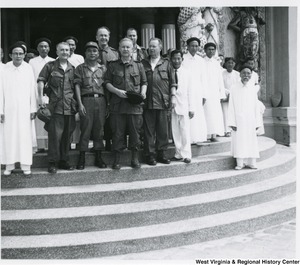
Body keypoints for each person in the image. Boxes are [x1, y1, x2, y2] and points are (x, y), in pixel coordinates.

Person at [104, 38, 147, 169]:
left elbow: (144, 82)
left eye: (128, 47)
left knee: (135, 133)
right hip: (118, 105)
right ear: (119, 49)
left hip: (134, 106)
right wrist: (116, 91)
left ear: (133, 49)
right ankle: (117, 159)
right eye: (123, 47)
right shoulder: (112, 65)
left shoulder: (139, 65)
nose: (125, 49)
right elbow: (106, 82)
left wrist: (143, 94)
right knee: (117, 133)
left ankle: (134, 158)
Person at [37, 42, 77, 174]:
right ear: (57, 51)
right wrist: (41, 97)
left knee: (67, 136)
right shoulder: (50, 66)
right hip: (55, 107)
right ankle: (52, 162)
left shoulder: (73, 68)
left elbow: (76, 88)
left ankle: (64, 161)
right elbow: (41, 81)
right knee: (55, 136)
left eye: (67, 50)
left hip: (69, 107)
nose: (65, 52)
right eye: (62, 50)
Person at [0, 43, 37, 176]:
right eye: (15, 53)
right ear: (10, 55)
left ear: (24, 55)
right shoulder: (4, 69)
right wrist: (1, 111)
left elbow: (33, 90)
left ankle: (25, 165)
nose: (18, 56)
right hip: (8, 108)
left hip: (24, 109)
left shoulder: (28, 68)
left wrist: (33, 108)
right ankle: (9, 165)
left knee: (24, 136)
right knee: (9, 136)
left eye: (21, 53)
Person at [141, 37, 176, 165]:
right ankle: (150, 155)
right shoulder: (143, 63)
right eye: (150, 46)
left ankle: (162, 153)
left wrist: (172, 97)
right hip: (147, 102)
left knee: (163, 130)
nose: (151, 48)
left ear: (160, 47)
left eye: (154, 46)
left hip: (163, 101)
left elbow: (173, 82)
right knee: (148, 130)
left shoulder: (167, 63)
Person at [74, 41, 107, 170]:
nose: (92, 53)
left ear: (98, 53)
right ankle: (81, 157)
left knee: (99, 130)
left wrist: (107, 105)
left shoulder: (103, 68)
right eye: (89, 51)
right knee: (85, 130)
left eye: (94, 51)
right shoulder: (80, 68)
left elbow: (106, 86)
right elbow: (77, 85)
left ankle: (99, 156)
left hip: (101, 101)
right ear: (85, 53)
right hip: (86, 100)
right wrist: (80, 104)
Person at [228, 65, 262, 170]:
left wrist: (257, 122)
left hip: (250, 119)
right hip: (238, 120)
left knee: (251, 140)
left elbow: (256, 106)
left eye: (248, 73)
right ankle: (240, 163)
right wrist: (232, 122)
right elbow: (231, 106)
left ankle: (252, 162)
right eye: (244, 73)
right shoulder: (234, 87)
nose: (246, 75)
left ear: (251, 75)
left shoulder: (253, 88)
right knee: (240, 140)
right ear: (240, 74)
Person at [29, 37, 55, 152]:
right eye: (41, 46)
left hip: (50, 94)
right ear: (37, 48)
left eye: (46, 46)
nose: (43, 48)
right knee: (39, 119)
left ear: (49, 48)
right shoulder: (32, 62)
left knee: (50, 118)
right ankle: (40, 146)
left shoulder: (53, 61)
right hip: (37, 93)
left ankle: (51, 145)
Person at [96, 26, 119, 151]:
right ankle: (99, 143)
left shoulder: (115, 53)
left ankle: (110, 141)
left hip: (111, 87)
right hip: (97, 88)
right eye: (101, 35)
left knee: (111, 115)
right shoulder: (92, 52)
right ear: (96, 37)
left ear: (109, 37)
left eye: (105, 35)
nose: (103, 37)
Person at [182, 37, 208, 144]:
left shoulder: (201, 60)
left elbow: (204, 78)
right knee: (187, 113)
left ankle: (197, 137)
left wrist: (204, 94)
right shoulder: (183, 59)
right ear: (187, 46)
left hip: (198, 90)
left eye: (196, 46)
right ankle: (187, 138)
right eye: (192, 46)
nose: (194, 48)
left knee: (198, 114)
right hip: (186, 90)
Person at [170, 49, 194, 163]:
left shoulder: (187, 73)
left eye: (178, 58)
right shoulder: (168, 71)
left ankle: (187, 154)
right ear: (171, 59)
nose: (176, 61)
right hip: (172, 106)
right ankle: (178, 153)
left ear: (182, 59)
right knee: (175, 131)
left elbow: (190, 91)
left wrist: (191, 108)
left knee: (184, 131)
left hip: (184, 105)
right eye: (174, 58)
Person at [63, 36, 85, 150]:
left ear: (75, 46)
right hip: (66, 92)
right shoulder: (60, 57)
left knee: (78, 118)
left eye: (72, 44)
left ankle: (77, 142)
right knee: (68, 119)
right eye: (68, 44)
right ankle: (67, 143)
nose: (70, 47)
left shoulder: (80, 58)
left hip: (78, 90)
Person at [203, 42, 226, 141]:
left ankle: (214, 134)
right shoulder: (202, 62)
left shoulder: (217, 63)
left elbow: (220, 79)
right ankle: (205, 134)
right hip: (205, 91)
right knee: (206, 112)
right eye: (209, 49)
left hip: (215, 91)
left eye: (213, 49)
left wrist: (221, 93)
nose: (211, 51)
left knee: (215, 113)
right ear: (205, 50)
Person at [222, 57, 240, 137]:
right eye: (228, 63)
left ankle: (234, 129)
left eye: (232, 63)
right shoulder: (221, 73)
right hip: (225, 96)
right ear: (225, 64)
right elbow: (220, 85)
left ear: (234, 64)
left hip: (235, 96)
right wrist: (227, 93)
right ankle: (226, 130)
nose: (230, 64)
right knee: (225, 113)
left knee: (234, 113)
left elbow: (238, 85)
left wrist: (233, 94)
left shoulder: (237, 74)